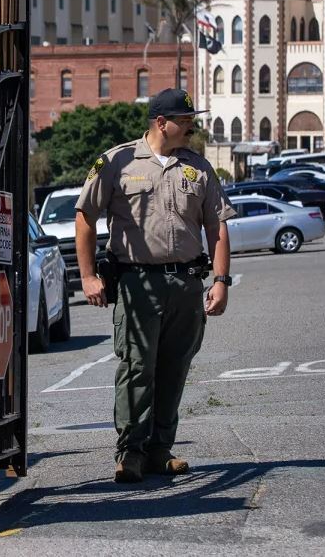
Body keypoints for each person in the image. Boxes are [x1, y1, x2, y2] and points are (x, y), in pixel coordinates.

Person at [74, 88, 235, 483]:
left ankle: (160, 450)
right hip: (136, 283)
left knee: (174, 368)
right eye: (184, 120)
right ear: (161, 123)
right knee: (136, 367)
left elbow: (217, 226)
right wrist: (89, 275)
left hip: (185, 284)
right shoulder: (117, 162)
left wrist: (221, 281)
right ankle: (130, 453)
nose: (191, 125)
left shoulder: (198, 168)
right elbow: (84, 217)